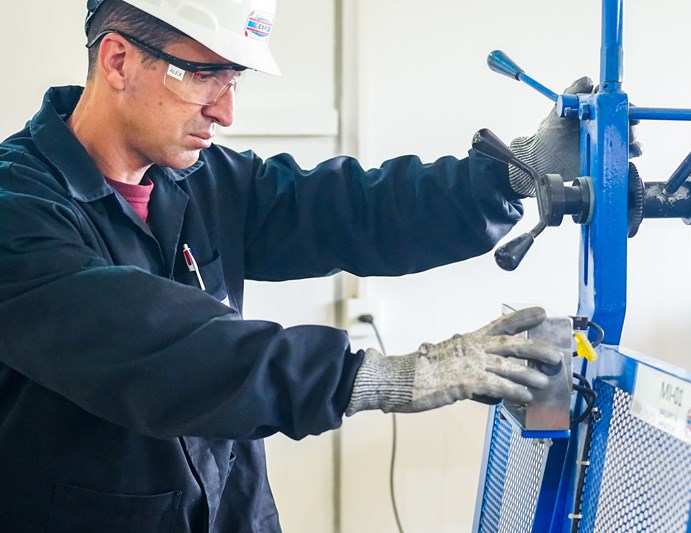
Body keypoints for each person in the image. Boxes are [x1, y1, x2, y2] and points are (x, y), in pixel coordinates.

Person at [0, 0, 605, 531]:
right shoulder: (16, 209)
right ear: (118, 60)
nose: (226, 113)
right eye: (205, 76)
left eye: (234, 79)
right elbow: (157, 346)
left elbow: (352, 210)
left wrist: (514, 173)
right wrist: (381, 377)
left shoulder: (203, 181)